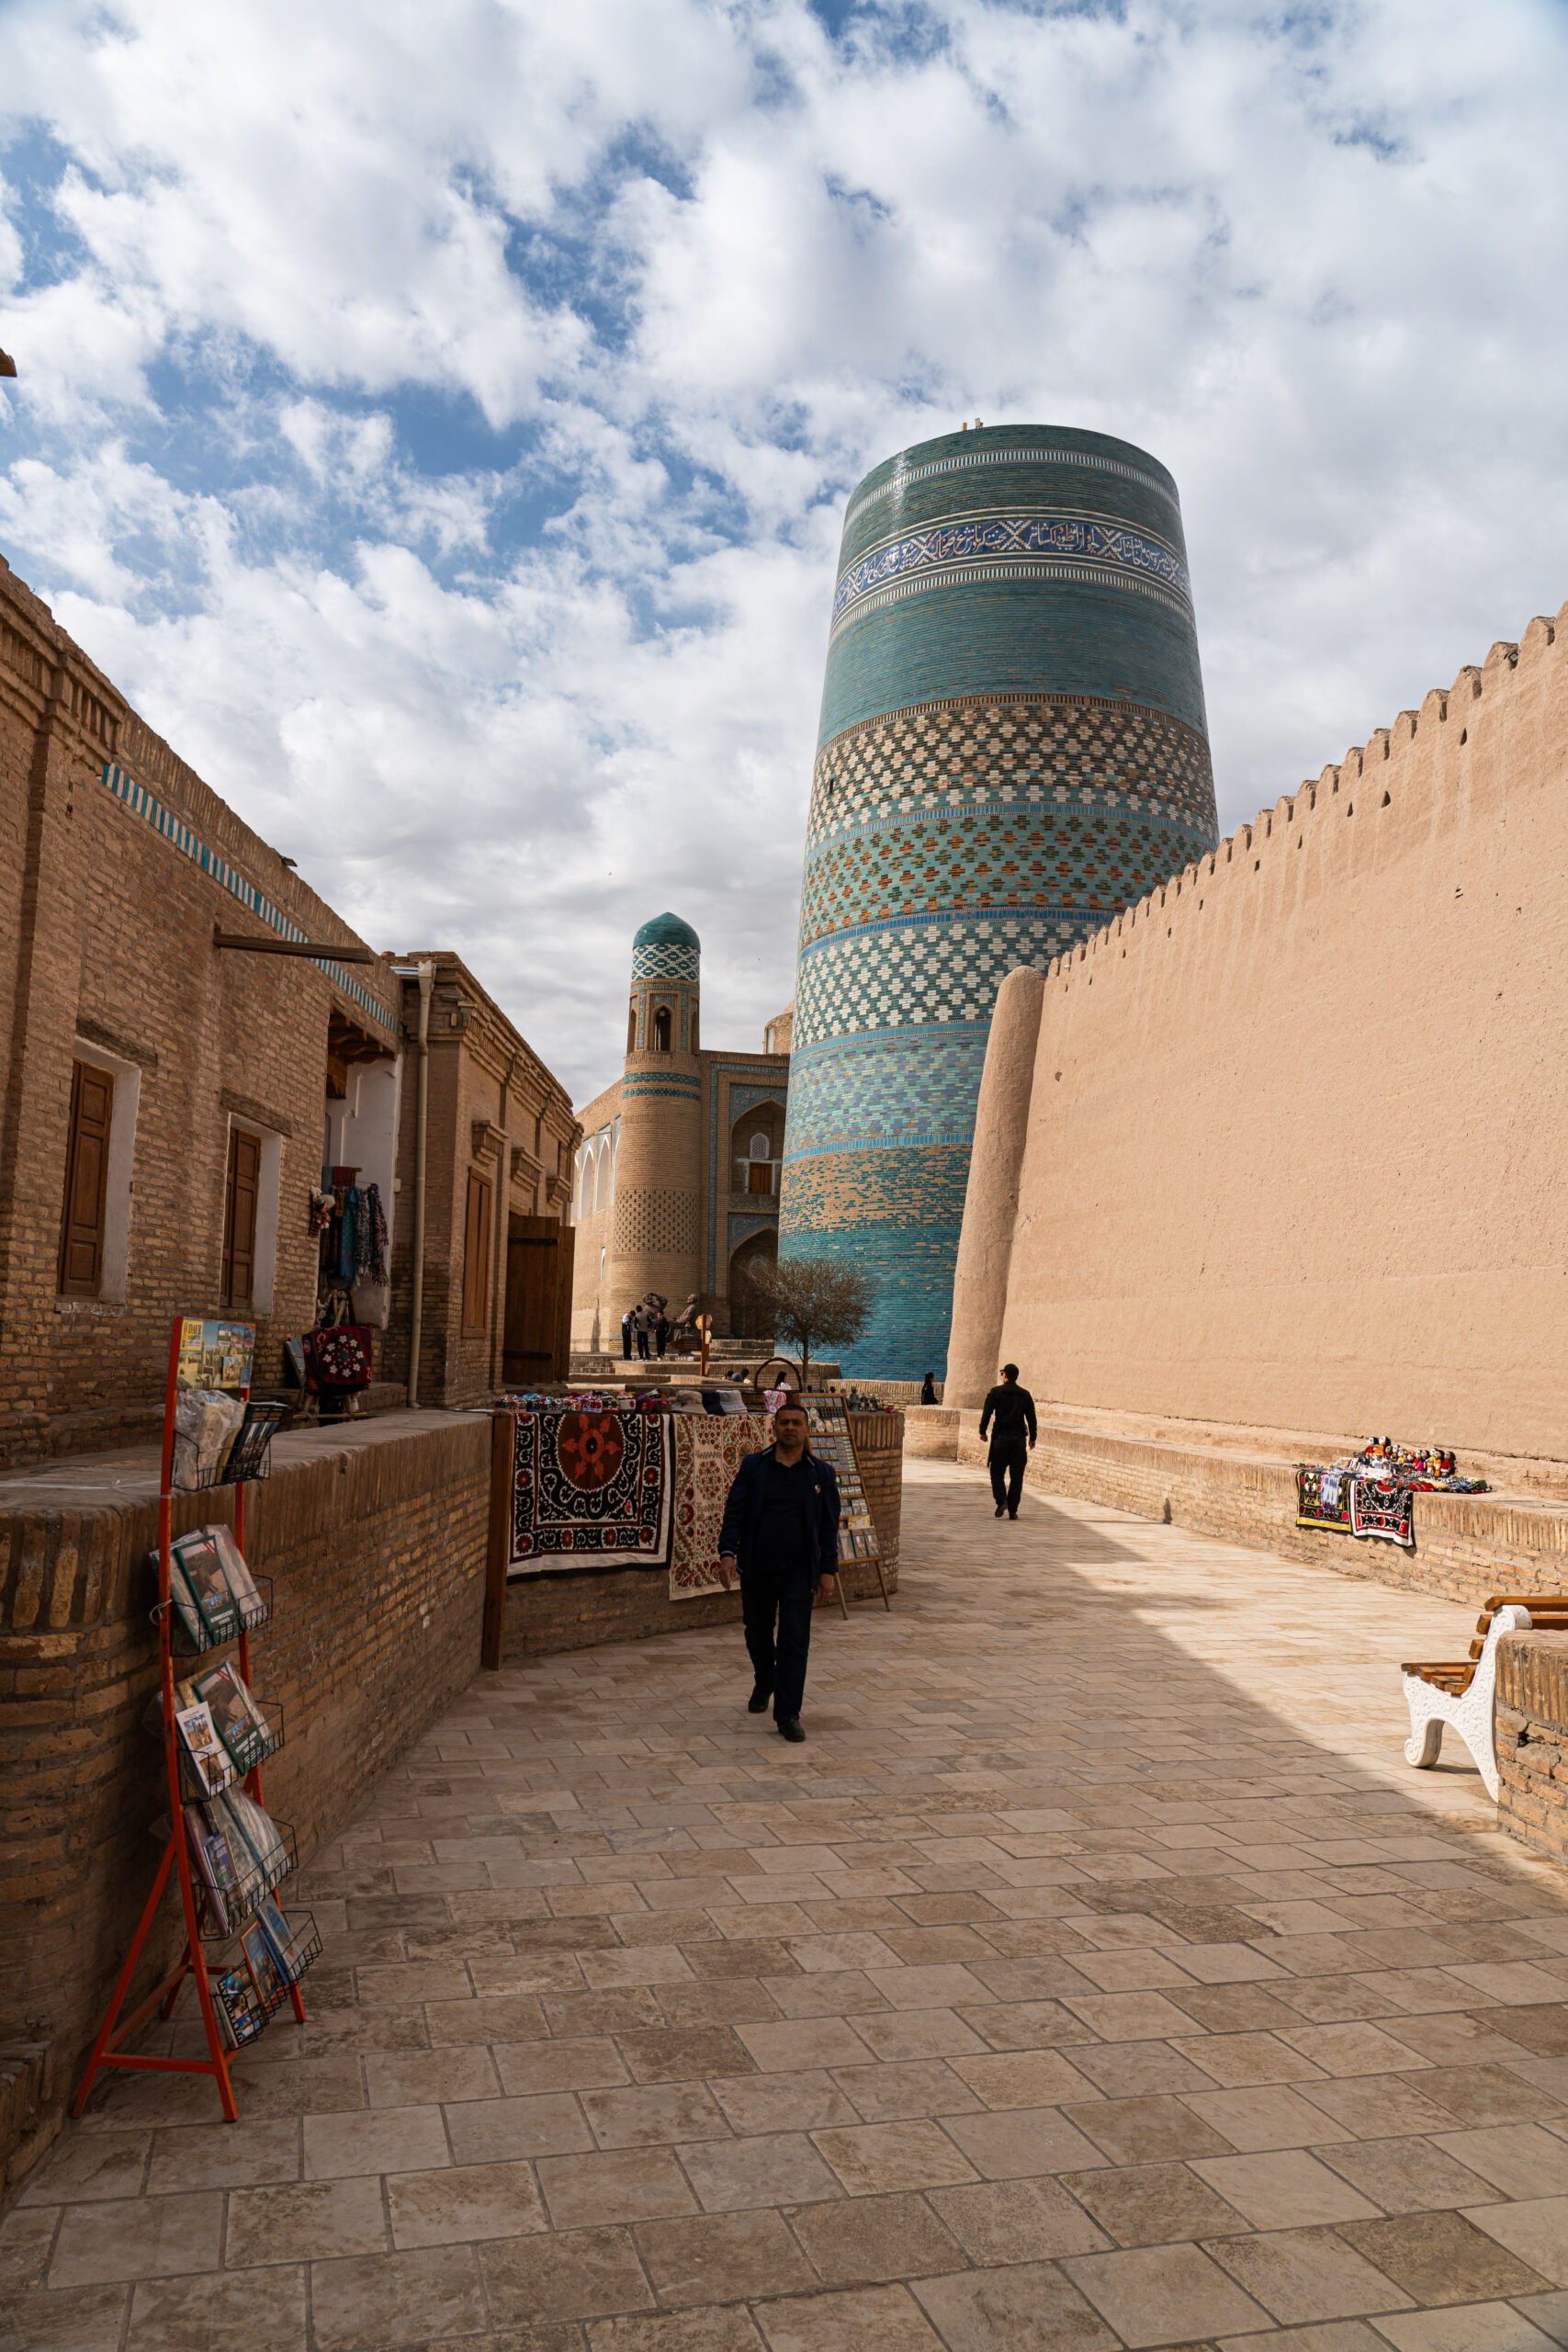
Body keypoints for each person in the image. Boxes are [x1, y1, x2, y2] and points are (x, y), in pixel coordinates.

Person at [716, 1399, 840, 1743]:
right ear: (774, 1428)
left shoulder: (821, 1474)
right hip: (758, 1567)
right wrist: (727, 1553)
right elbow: (735, 1512)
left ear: (806, 1429)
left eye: (796, 1423)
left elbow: (829, 1528)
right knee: (756, 1633)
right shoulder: (755, 1467)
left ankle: (787, 1713)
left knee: (794, 1641)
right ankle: (765, 1678)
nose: (789, 1428)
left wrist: (828, 1570)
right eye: (783, 1422)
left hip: (800, 1572)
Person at [979, 1362, 1036, 1520]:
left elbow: (987, 1412)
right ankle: (1013, 1510)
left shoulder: (996, 1392)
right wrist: (1033, 1437)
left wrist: (982, 1431)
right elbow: (1032, 1418)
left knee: (997, 1472)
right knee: (1017, 1477)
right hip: (1018, 1440)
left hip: (1000, 1439)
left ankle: (1001, 1500)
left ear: (1005, 1375)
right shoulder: (1025, 1394)